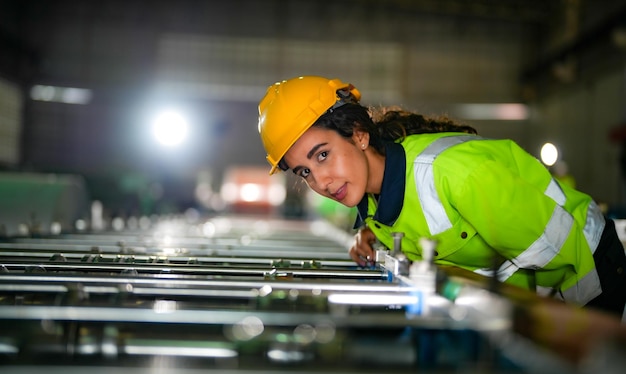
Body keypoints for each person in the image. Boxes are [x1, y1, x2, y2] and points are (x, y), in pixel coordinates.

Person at [257, 75, 626, 320]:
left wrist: (571, 330)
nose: (320, 180)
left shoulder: (455, 174)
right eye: (304, 171)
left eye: (323, 155)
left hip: (588, 266)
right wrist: (371, 234)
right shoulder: (371, 200)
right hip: (528, 287)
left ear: (359, 135)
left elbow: (559, 251)